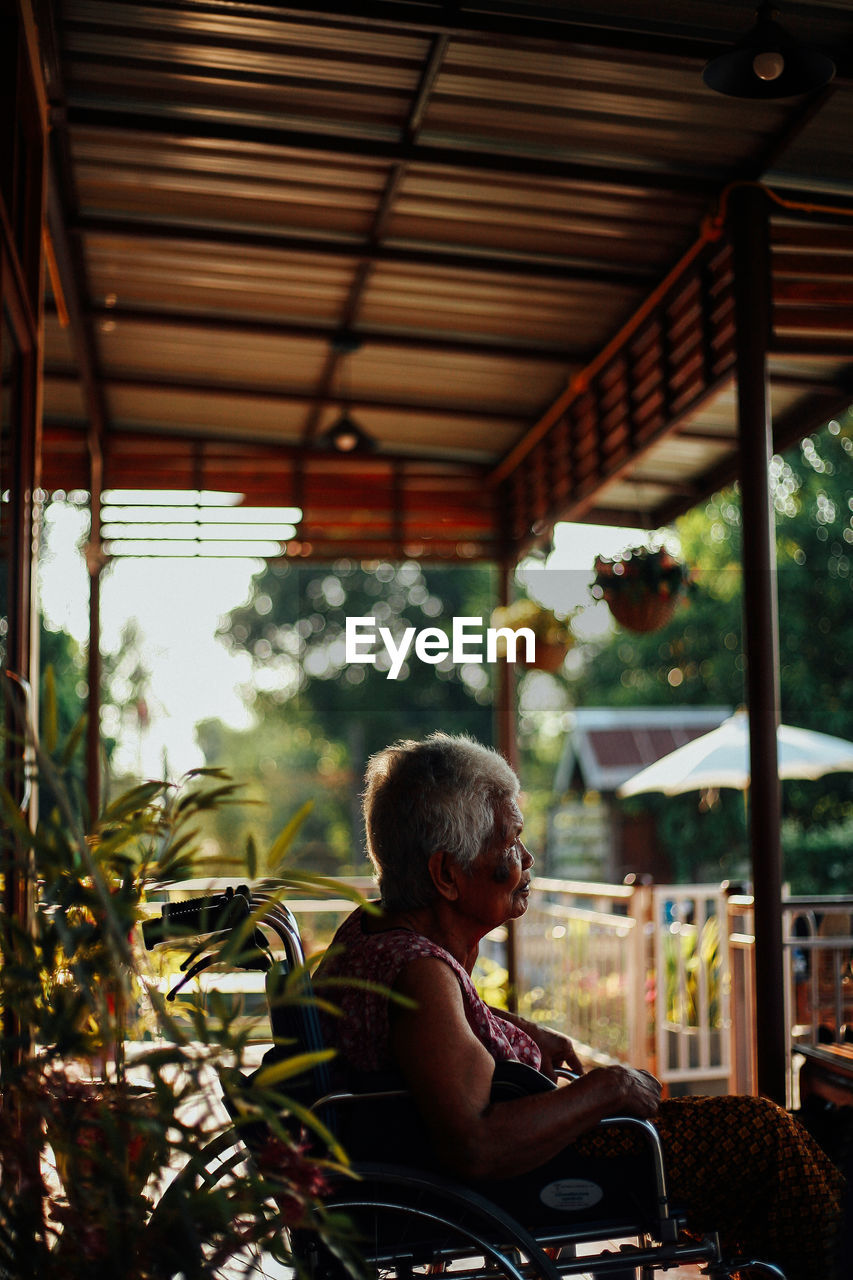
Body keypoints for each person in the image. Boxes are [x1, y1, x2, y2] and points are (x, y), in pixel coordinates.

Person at [313, 733, 844, 1280]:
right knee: (763, 1134)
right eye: (511, 842)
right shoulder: (418, 975)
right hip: (558, 1169)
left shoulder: (368, 935)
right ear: (447, 875)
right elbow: (475, 1145)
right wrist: (608, 1086)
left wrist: (516, 1028)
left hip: (521, 1151)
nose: (527, 859)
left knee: (791, 1136)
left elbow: (439, 1040)